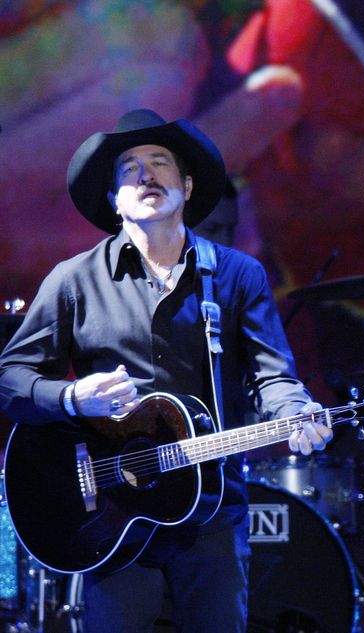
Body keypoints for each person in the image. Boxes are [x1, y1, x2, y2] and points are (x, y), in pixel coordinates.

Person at [0, 109, 332, 633]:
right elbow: (9, 379)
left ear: (188, 185)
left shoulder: (235, 274)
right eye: (129, 168)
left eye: (160, 162)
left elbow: (273, 375)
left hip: (211, 512)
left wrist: (297, 413)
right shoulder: (74, 280)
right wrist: (71, 398)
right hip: (107, 518)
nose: (146, 174)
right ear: (114, 199)